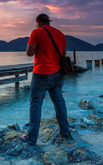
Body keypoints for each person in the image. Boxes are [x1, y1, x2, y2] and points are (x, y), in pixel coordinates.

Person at [20, 13, 71, 145]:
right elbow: (63, 53)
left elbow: (29, 53)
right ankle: (65, 132)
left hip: (41, 72)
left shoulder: (36, 32)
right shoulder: (60, 34)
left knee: (36, 103)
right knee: (59, 102)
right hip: (57, 73)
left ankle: (31, 138)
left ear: (38, 22)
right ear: (48, 22)